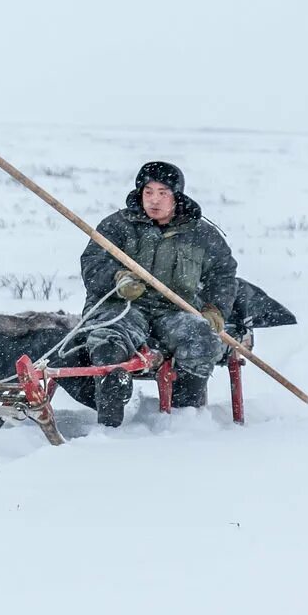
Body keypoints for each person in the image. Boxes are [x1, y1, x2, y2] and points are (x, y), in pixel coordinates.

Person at [79, 161, 237, 426]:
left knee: (201, 338)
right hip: (125, 307)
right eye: (148, 191)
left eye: (163, 193)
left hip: (176, 312)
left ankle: (182, 420)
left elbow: (223, 274)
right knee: (108, 341)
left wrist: (215, 308)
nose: (154, 200)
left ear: (177, 196)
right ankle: (109, 424)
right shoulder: (117, 226)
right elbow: (92, 264)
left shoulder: (202, 234)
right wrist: (117, 280)